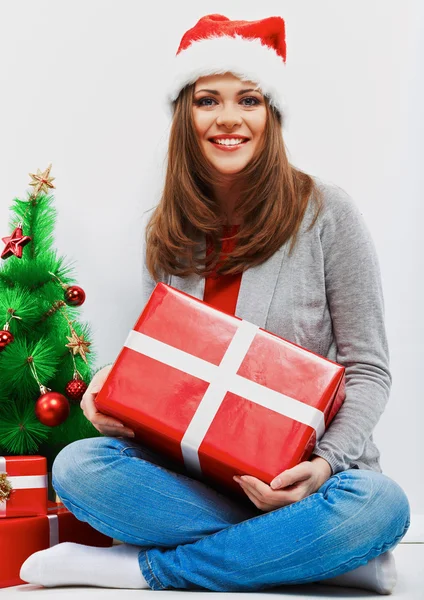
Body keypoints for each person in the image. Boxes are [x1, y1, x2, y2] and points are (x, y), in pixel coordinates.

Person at [20, 13, 410, 594]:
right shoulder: (171, 232)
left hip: (313, 479)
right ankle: (320, 554)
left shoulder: (327, 212)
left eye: (248, 99)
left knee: (379, 505)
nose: (229, 118)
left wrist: (323, 465)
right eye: (208, 101)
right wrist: (111, 391)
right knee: (79, 467)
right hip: (197, 477)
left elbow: (370, 371)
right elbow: (170, 381)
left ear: (270, 114)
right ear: (186, 116)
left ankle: (148, 572)